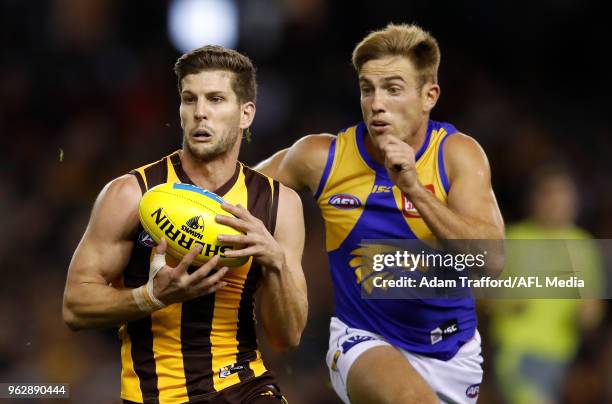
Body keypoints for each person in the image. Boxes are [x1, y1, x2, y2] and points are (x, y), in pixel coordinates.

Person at [256, 23, 505, 404]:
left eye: (392, 88)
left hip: (454, 356)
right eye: (367, 88)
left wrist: (415, 191)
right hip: (360, 341)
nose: (376, 103)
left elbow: (491, 262)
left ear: (428, 96)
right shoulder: (323, 157)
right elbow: (233, 193)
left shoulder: (457, 155)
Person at [62, 45, 308, 404]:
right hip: (154, 396)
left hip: (243, 388)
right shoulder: (132, 194)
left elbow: (288, 337)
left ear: (246, 114)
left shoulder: (278, 205)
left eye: (216, 99)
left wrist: (275, 260)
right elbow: (74, 307)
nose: (200, 113)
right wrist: (151, 297)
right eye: (189, 99)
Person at [487, 164, 604, 404]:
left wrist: (588, 310)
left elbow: (592, 314)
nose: (557, 203)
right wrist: (506, 303)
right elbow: (483, 293)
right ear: (534, 199)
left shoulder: (583, 246)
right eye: (549, 194)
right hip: (517, 350)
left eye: (564, 196)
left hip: (562, 356)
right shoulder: (514, 238)